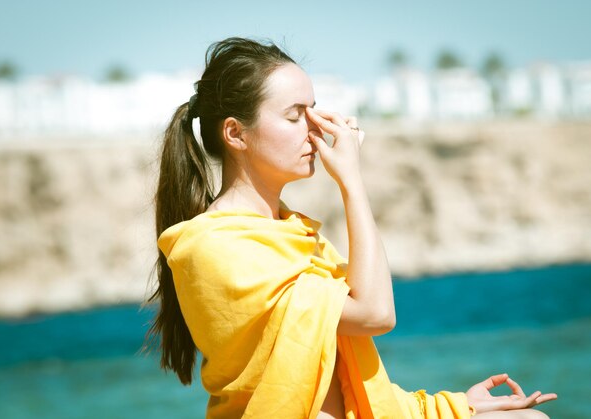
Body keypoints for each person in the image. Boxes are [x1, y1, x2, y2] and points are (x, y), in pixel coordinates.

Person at [145, 36, 557, 418]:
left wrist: (458, 405)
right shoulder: (214, 245)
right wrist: (352, 182)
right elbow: (375, 313)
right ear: (236, 133)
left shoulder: (295, 233)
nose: (316, 128)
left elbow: (347, 385)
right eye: (294, 116)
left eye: (314, 110)